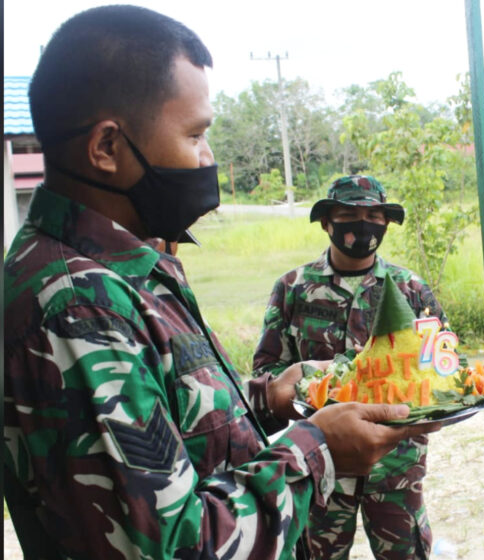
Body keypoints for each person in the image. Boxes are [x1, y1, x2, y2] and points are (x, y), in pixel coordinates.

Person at [3, 7, 435, 559]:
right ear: (106, 148)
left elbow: (169, 419)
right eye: (196, 135)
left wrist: (269, 397)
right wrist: (319, 448)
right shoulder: (75, 306)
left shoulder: (124, 271)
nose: (208, 158)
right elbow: (174, 546)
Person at [253, 174, 444, 559]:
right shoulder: (293, 288)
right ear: (327, 222)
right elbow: (267, 373)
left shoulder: (410, 289)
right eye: (348, 213)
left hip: (397, 466)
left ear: (386, 224)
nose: (363, 223)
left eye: (374, 214)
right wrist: (300, 390)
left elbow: (442, 365)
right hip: (323, 463)